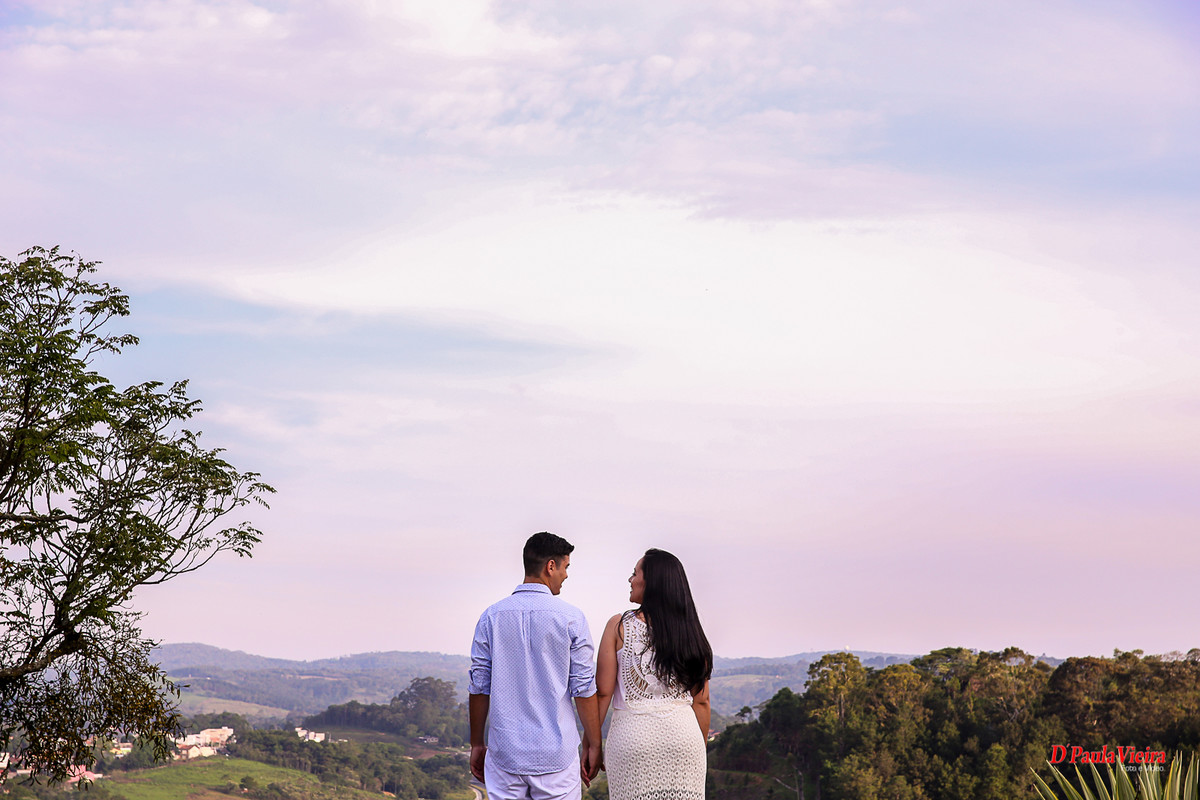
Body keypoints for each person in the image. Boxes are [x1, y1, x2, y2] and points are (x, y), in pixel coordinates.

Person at [469, 532, 603, 800]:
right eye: (565, 567)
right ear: (550, 566)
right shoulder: (572, 618)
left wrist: (477, 743)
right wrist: (594, 744)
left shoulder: (491, 617)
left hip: (505, 753)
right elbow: (583, 688)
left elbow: (479, 686)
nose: (566, 575)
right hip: (556, 756)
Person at [595, 549, 713, 800]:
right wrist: (696, 750)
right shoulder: (691, 631)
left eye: (634, 573)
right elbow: (701, 701)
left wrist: (592, 744)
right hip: (685, 741)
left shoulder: (618, 626)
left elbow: (603, 693)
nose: (630, 579)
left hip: (632, 741)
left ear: (652, 582)